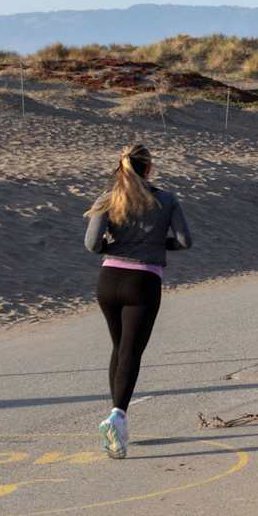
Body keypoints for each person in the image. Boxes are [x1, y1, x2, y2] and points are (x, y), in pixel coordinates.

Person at [82, 144, 192, 459]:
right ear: (149, 168)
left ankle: (117, 416)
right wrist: (157, 244)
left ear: (121, 167)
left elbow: (91, 244)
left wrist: (116, 246)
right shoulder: (166, 199)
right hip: (143, 281)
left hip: (109, 281)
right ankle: (117, 415)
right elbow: (185, 241)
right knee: (131, 350)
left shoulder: (108, 198)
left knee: (119, 348)